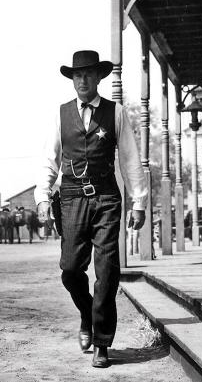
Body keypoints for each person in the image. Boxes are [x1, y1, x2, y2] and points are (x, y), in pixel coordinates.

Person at [34, 50, 147, 368]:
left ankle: (101, 342)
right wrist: (43, 197)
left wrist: (138, 202)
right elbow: (49, 158)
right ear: (72, 80)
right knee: (70, 270)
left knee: (108, 271)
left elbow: (129, 158)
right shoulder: (61, 114)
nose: (82, 80)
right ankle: (86, 312)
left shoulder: (116, 113)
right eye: (77, 75)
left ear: (99, 77)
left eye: (88, 75)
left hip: (107, 199)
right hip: (70, 198)